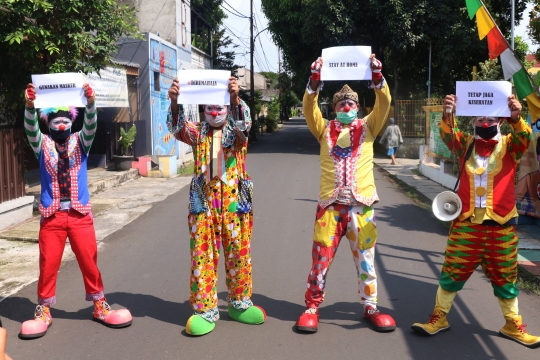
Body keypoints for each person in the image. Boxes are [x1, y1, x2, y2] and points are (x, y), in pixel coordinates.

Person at [411, 93, 540, 348]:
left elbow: (525, 137)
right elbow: (448, 134)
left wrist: (517, 118)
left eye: (491, 117)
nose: (485, 122)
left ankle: (512, 324)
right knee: (451, 273)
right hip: (467, 227)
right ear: (472, 120)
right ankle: (439, 317)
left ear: (500, 121)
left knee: (506, 278)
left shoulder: (510, 146)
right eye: (480, 117)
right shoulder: (465, 144)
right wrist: (448, 112)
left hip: (500, 229)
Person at [20, 83, 132, 339]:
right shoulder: (42, 145)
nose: (60, 124)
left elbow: (90, 125)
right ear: (48, 121)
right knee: (48, 263)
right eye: (55, 120)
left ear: (71, 120)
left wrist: (91, 104)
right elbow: (30, 129)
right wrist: (29, 106)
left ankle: (100, 305)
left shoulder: (81, 142)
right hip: (52, 216)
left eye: (65, 119)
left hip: (80, 215)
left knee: (89, 261)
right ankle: (44, 309)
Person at [295, 55, 396, 333]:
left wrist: (377, 78)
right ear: (333, 108)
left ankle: (370, 306)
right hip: (330, 208)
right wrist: (314, 82)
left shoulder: (369, 127)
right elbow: (308, 107)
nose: (346, 107)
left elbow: (384, 103)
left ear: (359, 107)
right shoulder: (324, 128)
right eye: (341, 104)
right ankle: (312, 306)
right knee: (320, 260)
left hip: (361, 208)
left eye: (351, 103)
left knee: (366, 260)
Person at [167, 76, 266, 336]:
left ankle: (240, 303)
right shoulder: (198, 131)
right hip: (203, 203)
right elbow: (177, 129)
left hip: (235, 202)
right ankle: (206, 309)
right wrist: (175, 102)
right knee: (202, 256)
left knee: (239, 253)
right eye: (209, 108)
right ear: (203, 110)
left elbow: (245, 126)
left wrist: (235, 101)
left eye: (219, 107)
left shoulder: (236, 132)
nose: (214, 112)